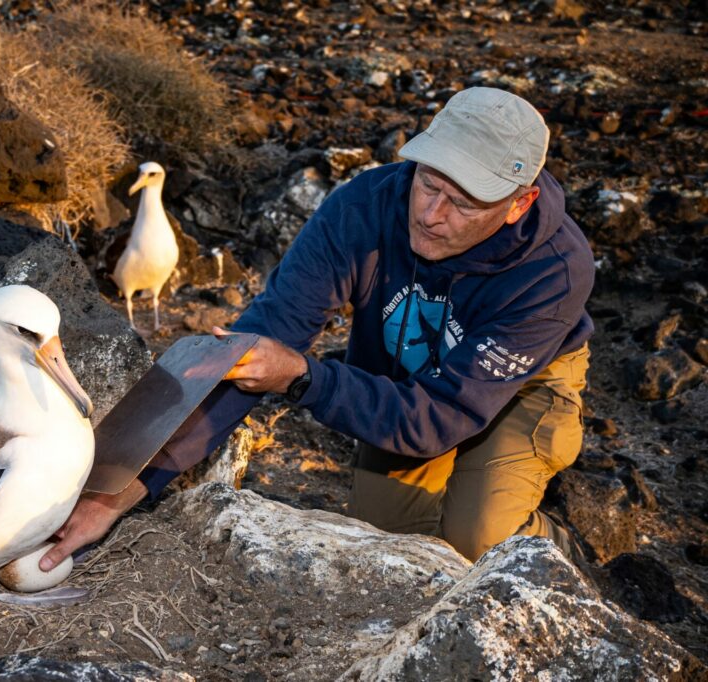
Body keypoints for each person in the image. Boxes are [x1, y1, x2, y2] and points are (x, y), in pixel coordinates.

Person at [40, 86, 594, 571]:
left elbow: (439, 419)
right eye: (429, 183)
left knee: (478, 543)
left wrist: (305, 378)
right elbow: (256, 344)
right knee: (391, 549)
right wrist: (121, 488)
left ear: (519, 203)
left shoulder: (555, 271)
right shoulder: (364, 208)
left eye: (464, 203)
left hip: (518, 385)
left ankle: (546, 547)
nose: (429, 214)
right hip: (402, 373)